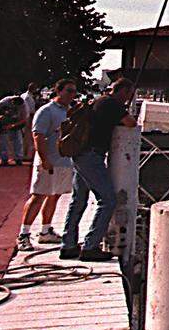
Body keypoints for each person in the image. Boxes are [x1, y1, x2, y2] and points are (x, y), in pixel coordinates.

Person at [60, 77, 137, 262]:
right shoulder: (113, 104)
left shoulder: (100, 101)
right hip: (91, 156)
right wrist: (125, 110)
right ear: (123, 91)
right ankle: (90, 246)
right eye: (129, 94)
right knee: (108, 200)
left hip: (81, 154)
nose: (128, 99)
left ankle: (68, 245)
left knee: (78, 200)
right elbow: (131, 123)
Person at [16, 78, 77, 251]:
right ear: (59, 91)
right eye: (68, 91)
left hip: (64, 161)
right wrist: (44, 159)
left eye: (74, 91)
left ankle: (45, 231)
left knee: (55, 195)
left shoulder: (71, 112)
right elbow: (38, 136)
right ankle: (24, 234)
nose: (71, 95)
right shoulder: (46, 111)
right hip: (48, 160)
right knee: (38, 195)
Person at [0, 93, 28, 165]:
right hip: (4, 122)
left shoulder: (24, 105)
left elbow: (24, 119)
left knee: (18, 140)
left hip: (16, 123)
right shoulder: (5, 101)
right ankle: (4, 158)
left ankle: (18, 158)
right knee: (3, 141)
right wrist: (0, 116)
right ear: (11, 101)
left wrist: (12, 125)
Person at [21, 82, 39, 162]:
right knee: (27, 137)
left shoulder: (25, 96)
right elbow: (28, 110)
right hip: (28, 117)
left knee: (26, 137)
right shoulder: (27, 97)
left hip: (27, 117)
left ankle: (24, 154)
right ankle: (24, 155)